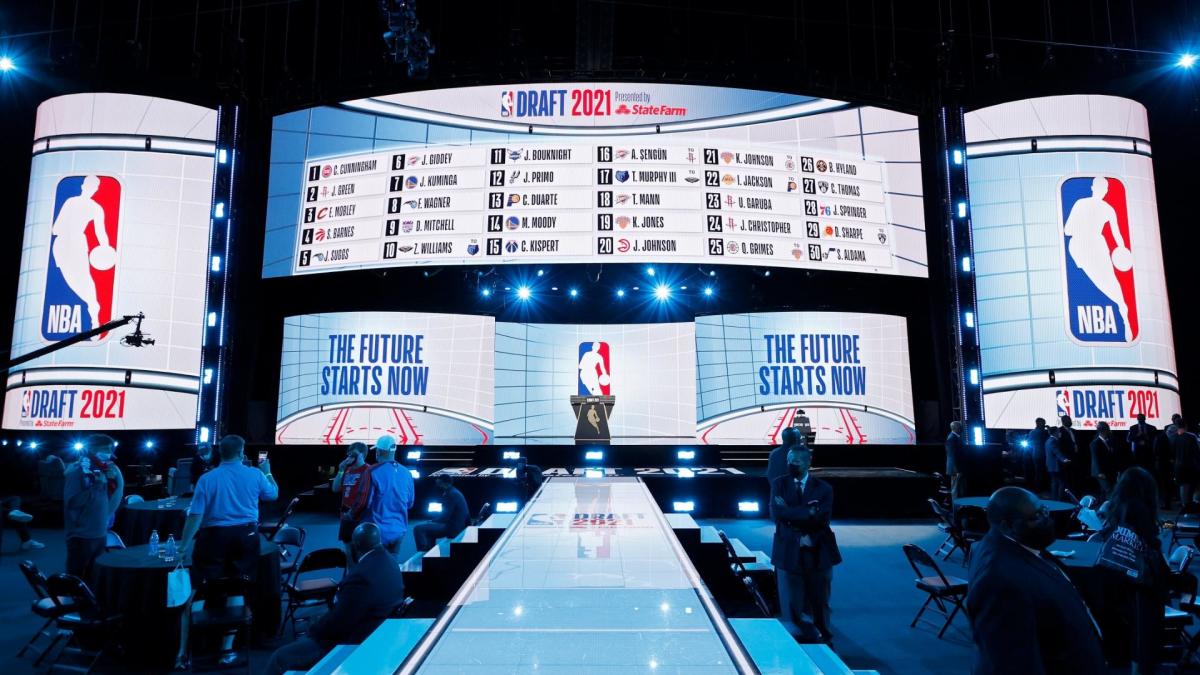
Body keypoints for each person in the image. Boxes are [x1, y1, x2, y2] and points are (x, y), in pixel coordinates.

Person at [965, 486, 1106, 674]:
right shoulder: (998, 581)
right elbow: (1009, 665)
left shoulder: (1022, 544)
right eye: (1036, 517)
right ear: (1007, 526)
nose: (1047, 520)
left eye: (1044, 510)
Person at [176, 434, 278, 668]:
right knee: (237, 589)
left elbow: (195, 516)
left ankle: (186, 651)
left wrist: (183, 546)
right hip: (246, 537)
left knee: (199, 591)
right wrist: (268, 472)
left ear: (219, 453)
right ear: (242, 452)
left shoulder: (207, 479)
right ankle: (226, 650)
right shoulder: (255, 475)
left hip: (213, 539)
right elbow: (273, 494)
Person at [263, 522, 405, 675]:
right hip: (381, 633)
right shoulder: (391, 561)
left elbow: (339, 623)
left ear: (355, 546)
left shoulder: (361, 576)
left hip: (355, 641)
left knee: (279, 658)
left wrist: (314, 629)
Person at [1095, 467, 1170, 673]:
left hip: (1117, 575)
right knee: (1142, 629)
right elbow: (1148, 542)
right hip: (1139, 581)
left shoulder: (1117, 505)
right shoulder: (1138, 509)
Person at [770, 445, 841, 643]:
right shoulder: (779, 484)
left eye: (796, 461)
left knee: (820, 601)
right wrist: (807, 512)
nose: (791, 464)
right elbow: (777, 514)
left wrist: (791, 513)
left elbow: (821, 519)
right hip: (789, 551)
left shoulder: (824, 488)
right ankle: (801, 640)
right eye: (789, 461)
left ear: (808, 463)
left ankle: (825, 638)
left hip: (818, 552)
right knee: (793, 602)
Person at [63, 434, 124, 579]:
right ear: (91, 448)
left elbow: (113, 496)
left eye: (111, 449)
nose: (109, 453)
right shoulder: (77, 470)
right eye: (105, 448)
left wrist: (112, 479)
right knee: (77, 577)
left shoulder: (106, 470)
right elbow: (72, 502)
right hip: (81, 534)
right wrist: (97, 486)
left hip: (99, 531)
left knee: (94, 575)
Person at [354, 435, 414, 558]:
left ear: (379, 451)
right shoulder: (407, 473)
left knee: (370, 566)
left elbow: (363, 502)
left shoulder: (371, 471)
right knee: (391, 566)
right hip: (399, 531)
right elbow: (410, 503)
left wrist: (350, 514)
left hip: (375, 533)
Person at [413, 475, 470, 552]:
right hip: (456, 526)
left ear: (443, 482)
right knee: (429, 532)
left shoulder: (452, 494)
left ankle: (422, 552)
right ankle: (430, 552)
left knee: (418, 529)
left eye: (438, 481)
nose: (436, 482)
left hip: (452, 528)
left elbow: (445, 516)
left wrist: (432, 521)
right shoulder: (453, 492)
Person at [333, 442, 370, 545]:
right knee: (348, 546)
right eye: (349, 454)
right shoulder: (347, 470)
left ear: (361, 455)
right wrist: (340, 470)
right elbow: (335, 488)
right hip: (345, 516)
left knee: (361, 547)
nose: (349, 457)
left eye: (353, 454)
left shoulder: (368, 470)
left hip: (361, 517)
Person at [1172, 419, 1200, 508]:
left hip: (1178, 466)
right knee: (1194, 486)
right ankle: (1192, 505)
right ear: (1186, 425)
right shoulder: (1191, 437)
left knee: (1183, 486)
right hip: (1191, 465)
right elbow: (1197, 452)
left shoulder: (1173, 437)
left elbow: (1172, 453)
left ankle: (1185, 506)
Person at [1090, 421, 1119, 497]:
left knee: (1105, 491)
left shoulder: (1109, 441)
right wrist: (1099, 472)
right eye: (1108, 429)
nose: (1109, 431)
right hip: (1101, 472)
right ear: (1104, 431)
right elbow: (1095, 459)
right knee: (1109, 490)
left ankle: (1103, 504)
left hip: (1109, 471)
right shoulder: (1095, 443)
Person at [1045, 426, 1071, 502]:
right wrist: (1064, 459)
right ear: (1055, 432)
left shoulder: (1048, 440)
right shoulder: (1053, 441)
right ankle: (1060, 500)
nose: (1060, 433)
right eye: (1058, 431)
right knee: (1061, 483)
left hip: (1051, 466)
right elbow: (1056, 452)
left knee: (1054, 483)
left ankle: (1055, 499)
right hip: (1056, 466)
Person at [945, 421, 967, 499]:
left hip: (959, 469)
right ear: (956, 428)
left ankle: (961, 505)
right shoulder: (951, 438)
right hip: (956, 470)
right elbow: (952, 456)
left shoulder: (956, 437)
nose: (962, 428)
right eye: (960, 426)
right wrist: (957, 470)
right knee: (955, 489)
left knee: (961, 489)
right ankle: (955, 506)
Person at [1027, 418, 1050, 494]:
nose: (1044, 425)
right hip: (1042, 454)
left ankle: (1038, 489)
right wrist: (1049, 429)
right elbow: (1050, 437)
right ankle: (1041, 489)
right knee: (1042, 472)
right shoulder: (1042, 432)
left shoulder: (1032, 432)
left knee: (1038, 472)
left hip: (1035, 454)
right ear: (1039, 423)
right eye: (1043, 423)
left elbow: (1029, 442)